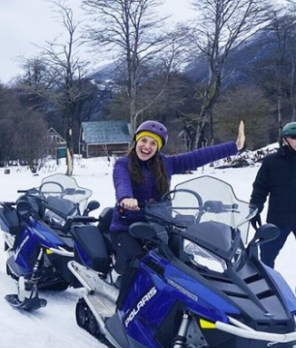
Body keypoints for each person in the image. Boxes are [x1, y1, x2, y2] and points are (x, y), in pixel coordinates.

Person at [111, 120, 243, 305]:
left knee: (184, 258)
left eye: (153, 143)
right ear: (136, 141)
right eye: (144, 141)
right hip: (126, 227)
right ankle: (122, 308)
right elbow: (121, 182)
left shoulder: (165, 164)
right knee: (138, 262)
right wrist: (126, 198)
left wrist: (233, 147)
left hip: (158, 225)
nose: (147, 146)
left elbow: (197, 156)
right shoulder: (123, 164)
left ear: (158, 147)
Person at [249, 122, 296, 268]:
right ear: (285, 139)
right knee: (266, 258)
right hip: (279, 217)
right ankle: (266, 288)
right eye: (294, 137)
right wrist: (255, 207)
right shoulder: (272, 161)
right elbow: (260, 187)